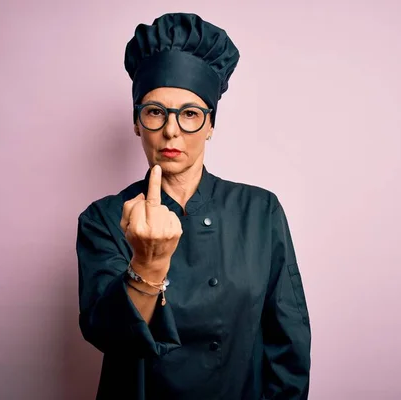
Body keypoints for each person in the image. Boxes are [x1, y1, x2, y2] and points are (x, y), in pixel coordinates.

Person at [76, 12, 311, 400]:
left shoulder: (260, 210)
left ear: (210, 125)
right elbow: (108, 335)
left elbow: (288, 340)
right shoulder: (103, 218)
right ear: (137, 122)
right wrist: (148, 263)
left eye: (189, 114)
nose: (171, 130)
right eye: (155, 112)